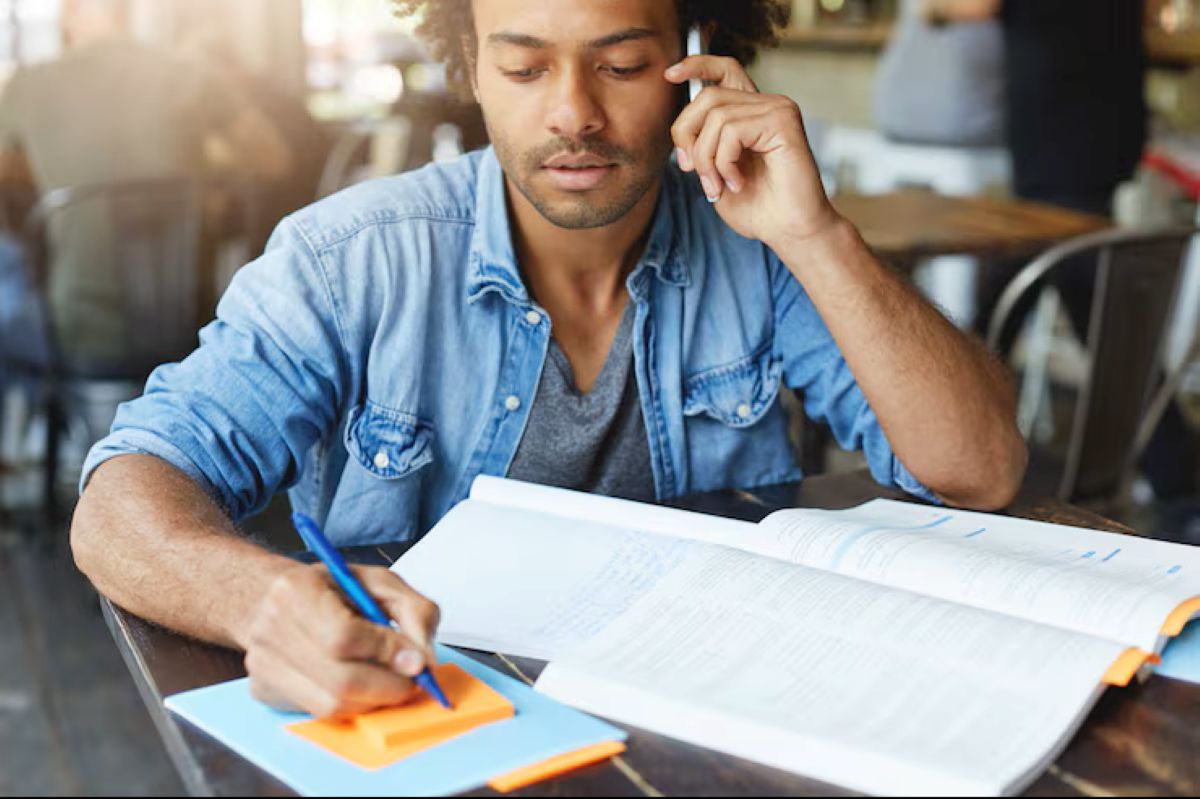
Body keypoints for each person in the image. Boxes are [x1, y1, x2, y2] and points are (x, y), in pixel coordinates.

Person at [70, 0, 1026, 720]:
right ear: (471, 66)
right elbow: (123, 497)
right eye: (525, 68)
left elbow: (978, 470)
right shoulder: (349, 260)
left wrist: (815, 235)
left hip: (705, 712)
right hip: (439, 721)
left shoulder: (758, 245)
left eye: (623, 64)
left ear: (695, 59)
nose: (574, 112)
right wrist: (262, 598)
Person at [929, 0, 1199, 500]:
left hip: (1059, 139)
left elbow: (967, 5)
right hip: (1102, 132)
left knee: (1087, 308)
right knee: (1043, 299)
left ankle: (1179, 481)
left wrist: (930, 9)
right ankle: (946, 442)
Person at [0, 0, 292, 370]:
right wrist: (205, 173)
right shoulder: (191, 74)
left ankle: (37, 404)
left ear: (69, 11)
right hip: (190, 329)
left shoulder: (28, 84)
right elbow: (274, 159)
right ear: (126, 10)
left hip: (78, 333)